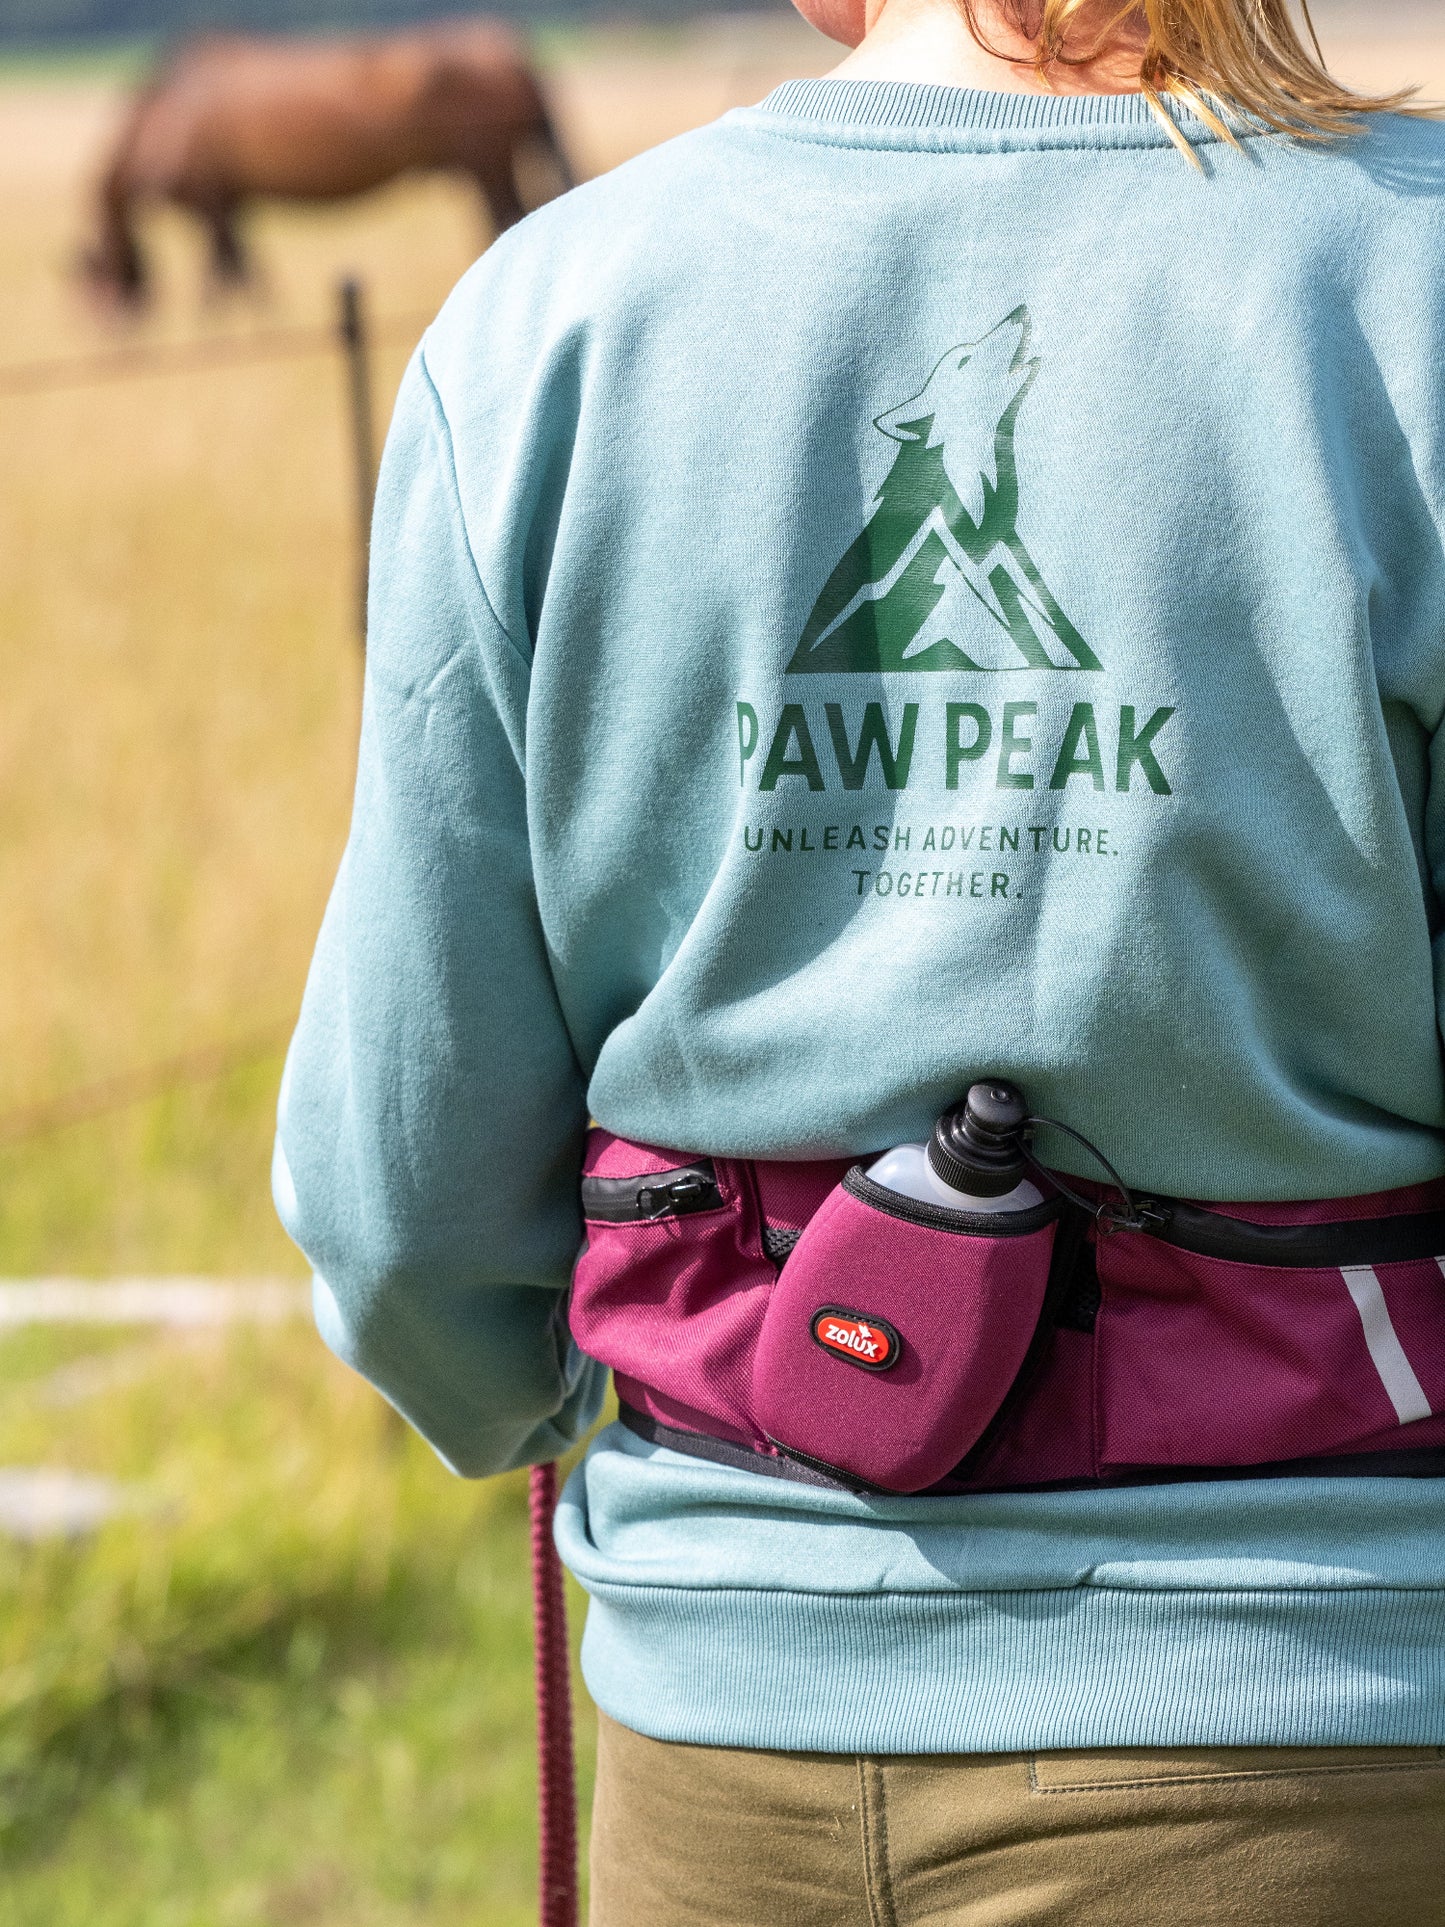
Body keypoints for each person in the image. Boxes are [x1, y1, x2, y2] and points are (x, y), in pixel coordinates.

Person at [274, 0, 1445, 1918]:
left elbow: (395, 1188)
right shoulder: (1411, 280)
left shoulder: (553, 319)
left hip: (718, 1739)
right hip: (1323, 1731)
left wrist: (564, 1410)